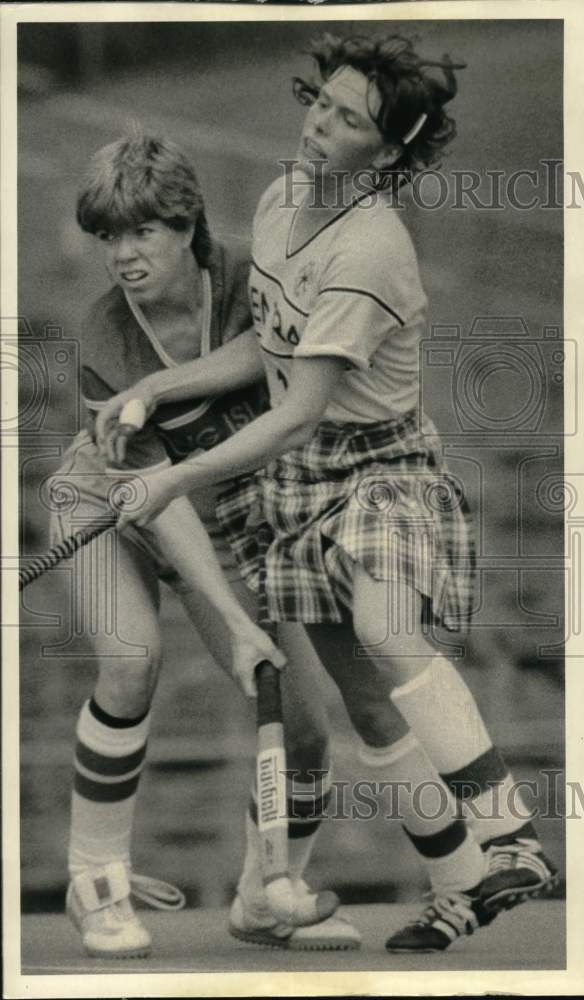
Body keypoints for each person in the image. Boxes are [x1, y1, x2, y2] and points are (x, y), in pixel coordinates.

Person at [103, 34, 558, 953]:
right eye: (323, 102)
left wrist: (174, 476)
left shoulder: (371, 249)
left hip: (381, 467)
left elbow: (299, 410)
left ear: (384, 152)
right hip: (301, 484)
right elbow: (270, 349)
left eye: (349, 120)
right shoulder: (280, 200)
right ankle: (463, 885)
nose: (320, 124)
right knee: (369, 703)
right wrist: (155, 386)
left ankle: (511, 836)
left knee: (388, 632)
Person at [48, 130, 362, 958]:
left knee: (303, 725)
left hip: (227, 518)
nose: (122, 254)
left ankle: (265, 895)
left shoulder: (252, 275)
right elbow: (160, 502)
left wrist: (160, 387)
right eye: (108, 236)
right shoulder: (102, 337)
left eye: (142, 231)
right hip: (107, 505)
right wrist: (232, 620)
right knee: (131, 661)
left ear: (188, 226)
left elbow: (280, 345)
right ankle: (96, 883)